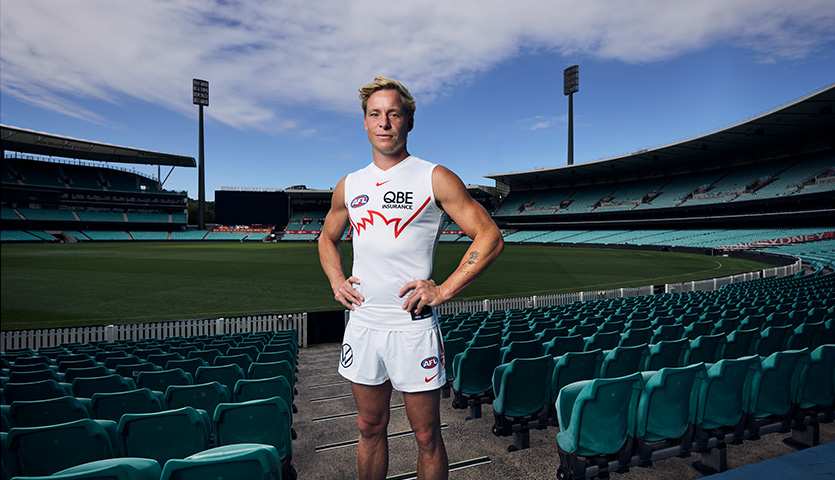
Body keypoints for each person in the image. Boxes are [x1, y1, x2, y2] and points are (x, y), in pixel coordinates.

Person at [318, 76, 504, 480]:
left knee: (426, 436)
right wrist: (336, 281)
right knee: (368, 429)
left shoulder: (433, 177)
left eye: (394, 114)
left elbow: (489, 235)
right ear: (365, 123)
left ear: (409, 122)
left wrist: (445, 288)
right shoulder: (349, 185)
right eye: (375, 114)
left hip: (412, 328)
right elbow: (327, 238)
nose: (384, 122)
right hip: (364, 325)